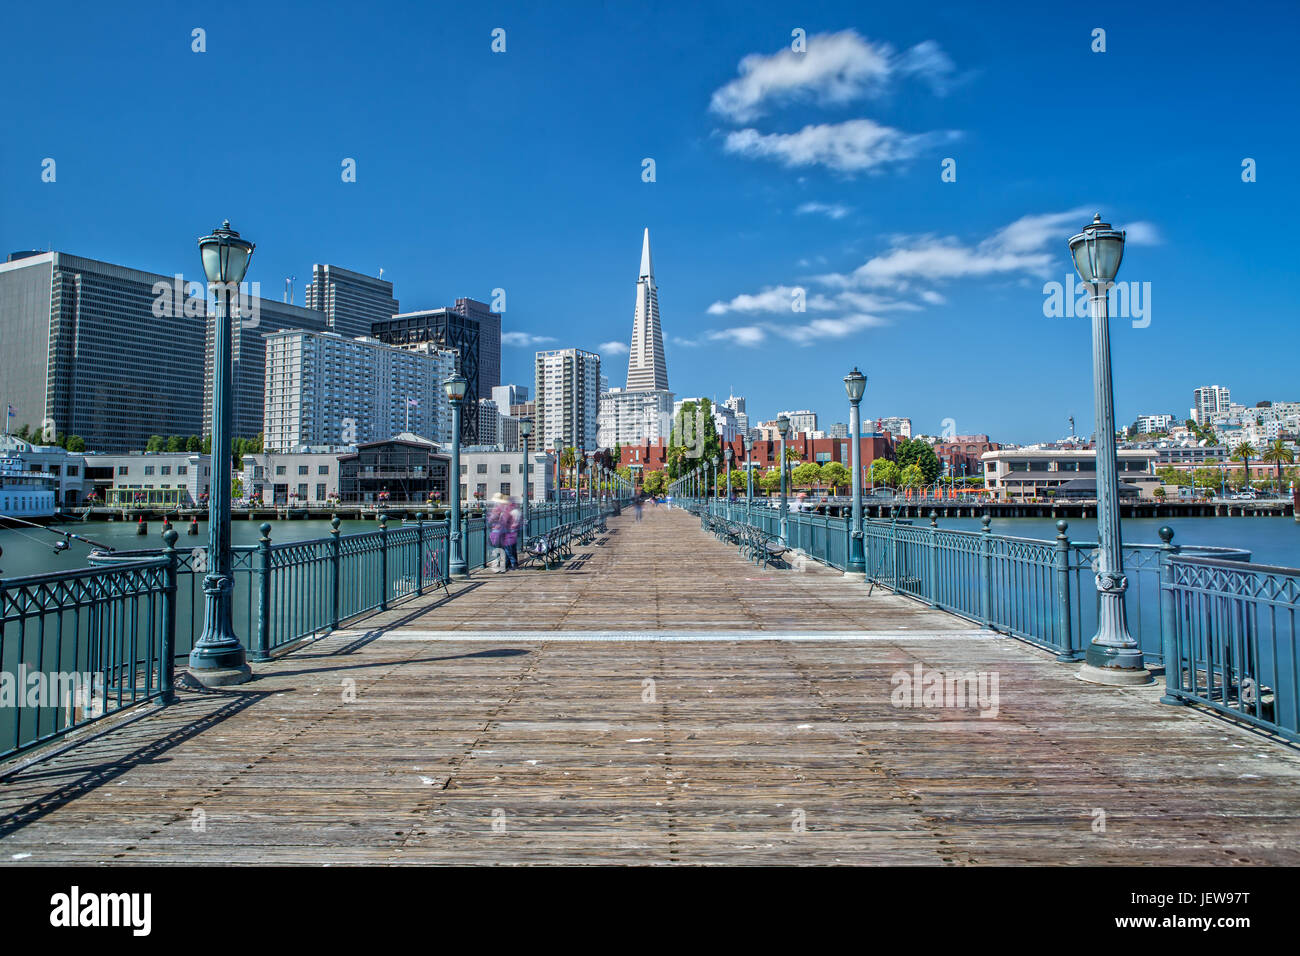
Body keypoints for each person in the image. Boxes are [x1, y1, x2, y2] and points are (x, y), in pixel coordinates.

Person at [487, 493, 510, 572]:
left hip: (497, 531)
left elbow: (491, 519)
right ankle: (503, 565)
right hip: (504, 531)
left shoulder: (497, 508)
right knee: (502, 548)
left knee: (498, 548)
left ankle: (499, 566)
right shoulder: (505, 507)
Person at [502, 497, 521, 570]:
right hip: (514, 532)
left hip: (509, 532)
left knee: (507, 549)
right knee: (512, 548)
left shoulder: (512, 512)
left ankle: (513, 563)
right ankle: (508, 563)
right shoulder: (517, 511)